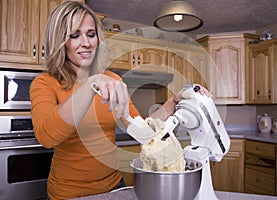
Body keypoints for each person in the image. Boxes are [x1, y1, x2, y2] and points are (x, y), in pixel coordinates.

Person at [30, 1, 210, 199]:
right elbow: (47, 137)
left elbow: (141, 129)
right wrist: (92, 83)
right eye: (74, 35)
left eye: (91, 34)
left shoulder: (113, 80)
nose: (87, 43)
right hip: (68, 193)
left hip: (114, 186)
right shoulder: (45, 83)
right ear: (59, 40)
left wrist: (173, 103)